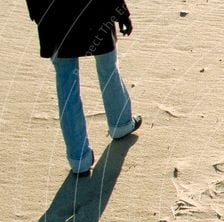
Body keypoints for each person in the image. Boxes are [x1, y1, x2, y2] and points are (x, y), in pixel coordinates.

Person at [26, 1, 142, 176]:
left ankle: (79, 159)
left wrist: (38, 14)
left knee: (66, 82)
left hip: (53, 17)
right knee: (107, 66)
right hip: (95, 11)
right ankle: (120, 123)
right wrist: (122, 12)